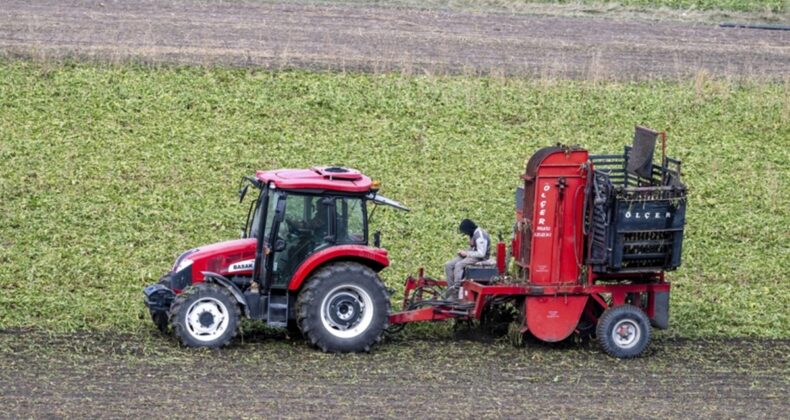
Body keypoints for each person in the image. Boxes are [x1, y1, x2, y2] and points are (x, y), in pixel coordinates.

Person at [444, 219, 490, 299]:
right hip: (472, 254)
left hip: (480, 258)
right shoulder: (473, 234)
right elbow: (473, 248)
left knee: (459, 265)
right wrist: (464, 252)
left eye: (465, 232)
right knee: (449, 265)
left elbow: (481, 253)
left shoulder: (480, 236)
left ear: (469, 229)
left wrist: (467, 253)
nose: (465, 234)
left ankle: (456, 291)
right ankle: (450, 291)